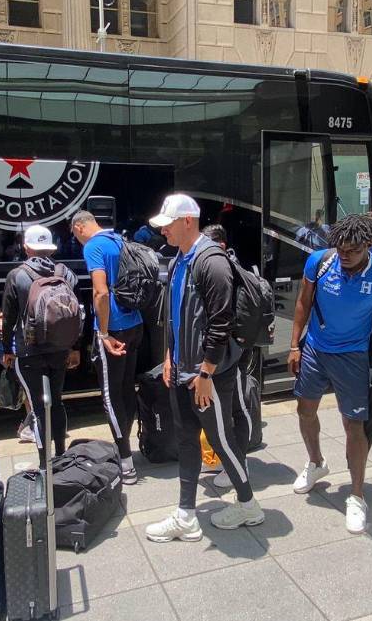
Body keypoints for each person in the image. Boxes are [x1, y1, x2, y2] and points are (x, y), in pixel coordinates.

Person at [144, 194, 263, 542]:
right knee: (185, 441)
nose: (163, 229)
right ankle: (185, 515)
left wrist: (207, 373)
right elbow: (177, 317)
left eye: (168, 223)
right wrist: (169, 356)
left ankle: (248, 504)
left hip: (206, 375)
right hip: (184, 370)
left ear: (187, 222)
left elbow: (220, 323)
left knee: (220, 440)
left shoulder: (211, 262)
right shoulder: (180, 259)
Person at [287, 214, 372, 533]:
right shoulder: (320, 262)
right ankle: (316, 463)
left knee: (353, 424)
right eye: (340, 248)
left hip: (353, 355)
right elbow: (303, 302)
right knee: (305, 409)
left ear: (369, 245)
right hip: (315, 348)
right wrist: (294, 345)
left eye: (353, 250)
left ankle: (356, 496)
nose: (345, 255)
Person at [70, 210, 144, 484]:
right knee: (126, 389)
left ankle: (125, 463)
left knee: (110, 396)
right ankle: (126, 451)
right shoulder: (120, 240)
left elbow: (100, 291)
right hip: (135, 323)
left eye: (74, 235)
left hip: (113, 328)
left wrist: (102, 333)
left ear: (79, 227)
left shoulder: (93, 246)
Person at [0, 225, 81, 465]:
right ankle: (61, 454)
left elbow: (9, 317)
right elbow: (77, 310)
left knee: (38, 407)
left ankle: (44, 462)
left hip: (29, 350)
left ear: (26, 247)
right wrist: (75, 345)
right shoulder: (64, 272)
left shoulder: (17, 275)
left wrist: (7, 348)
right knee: (56, 401)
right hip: (60, 347)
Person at [198, 224, 256, 490]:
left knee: (238, 406)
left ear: (220, 244)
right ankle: (232, 460)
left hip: (235, 349)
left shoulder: (225, 266)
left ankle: (239, 464)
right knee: (232, 407)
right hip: (231, 346)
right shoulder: (224, 263)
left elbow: (222, 317)